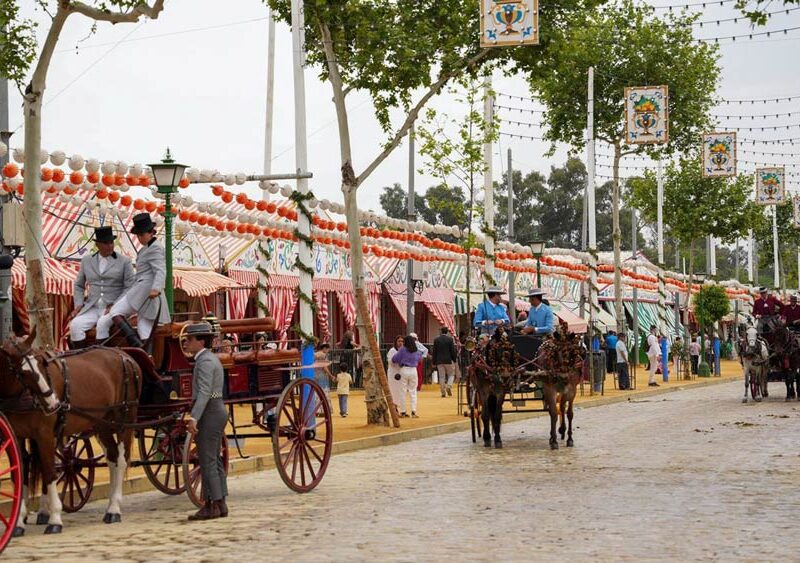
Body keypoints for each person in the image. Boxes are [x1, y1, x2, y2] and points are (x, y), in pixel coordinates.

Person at [96, 213, 170, 347]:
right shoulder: (148, 247)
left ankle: (135, 346)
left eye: (142, 235)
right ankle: (146, 358)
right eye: (138, 235)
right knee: (143, 328)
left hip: (145, 291)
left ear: (150, 232)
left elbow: (160, 270)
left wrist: (156, 288)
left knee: (115, 311)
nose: (140, 238)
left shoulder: (155, 248)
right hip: (142, 292)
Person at [183, 322, 228, 521]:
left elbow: (204, 392)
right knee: (214, 459)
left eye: (190, 339)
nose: (186, 343)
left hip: (210, 411)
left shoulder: (205, 362)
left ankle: (211, 504)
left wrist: (194, 417)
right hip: (214, 409)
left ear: (201, 341)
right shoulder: (209, 359)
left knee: (207, 459)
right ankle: (220, 503)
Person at [70, 226, 135, 348]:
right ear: (98, 245)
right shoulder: (87, 260)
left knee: (102, 324)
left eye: (111, 242)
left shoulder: (125, 261)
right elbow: (79, 285)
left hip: (115, 308)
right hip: (92, 307)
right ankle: (81, 358)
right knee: (75, 325)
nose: (110, 246)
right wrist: (78, 304)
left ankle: (103, 358)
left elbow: (129, 287)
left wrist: (115, 304)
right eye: (106, 243)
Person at [390, 335, 424, 418]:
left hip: (404, 369)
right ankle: (413, 411)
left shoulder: (403, 350)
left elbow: (394, 359)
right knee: (413, 391)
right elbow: (420, 358)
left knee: (403, 391)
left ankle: (403, 411)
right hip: (413, 370)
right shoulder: (417, 351)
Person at [432, 327, 458, 397]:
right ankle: (449, 386)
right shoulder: (450, 339)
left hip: (439, 360)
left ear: (441, 331)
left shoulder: (436, 340)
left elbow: (434, 352)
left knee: (441, 377)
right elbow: (452, 350)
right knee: (451, 374)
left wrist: (434, 362)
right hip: (448, 360)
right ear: (447, 332)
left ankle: (443, 392)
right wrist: (454, 359)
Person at [386, 335, 405, 414]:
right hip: (393, 373)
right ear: (396, 342)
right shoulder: (392, 350)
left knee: (400, 391)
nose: (400, 343)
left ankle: (401, 409)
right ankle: (394, 408)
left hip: (401, 373)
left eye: (402, 341)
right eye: (399, 341)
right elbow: (391, 361)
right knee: (393, 390)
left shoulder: (404, 351)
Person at [314, 342, 333, 409]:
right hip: (322, 375)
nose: (327, 351)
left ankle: (315, 408)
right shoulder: (323, 355)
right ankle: (322, 409)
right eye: (327, 349)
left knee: (315, 391)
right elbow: (324, 367)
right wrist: (331, 375)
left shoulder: (315, 354)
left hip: (314, 375)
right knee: (323, 391)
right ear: (324, 348)